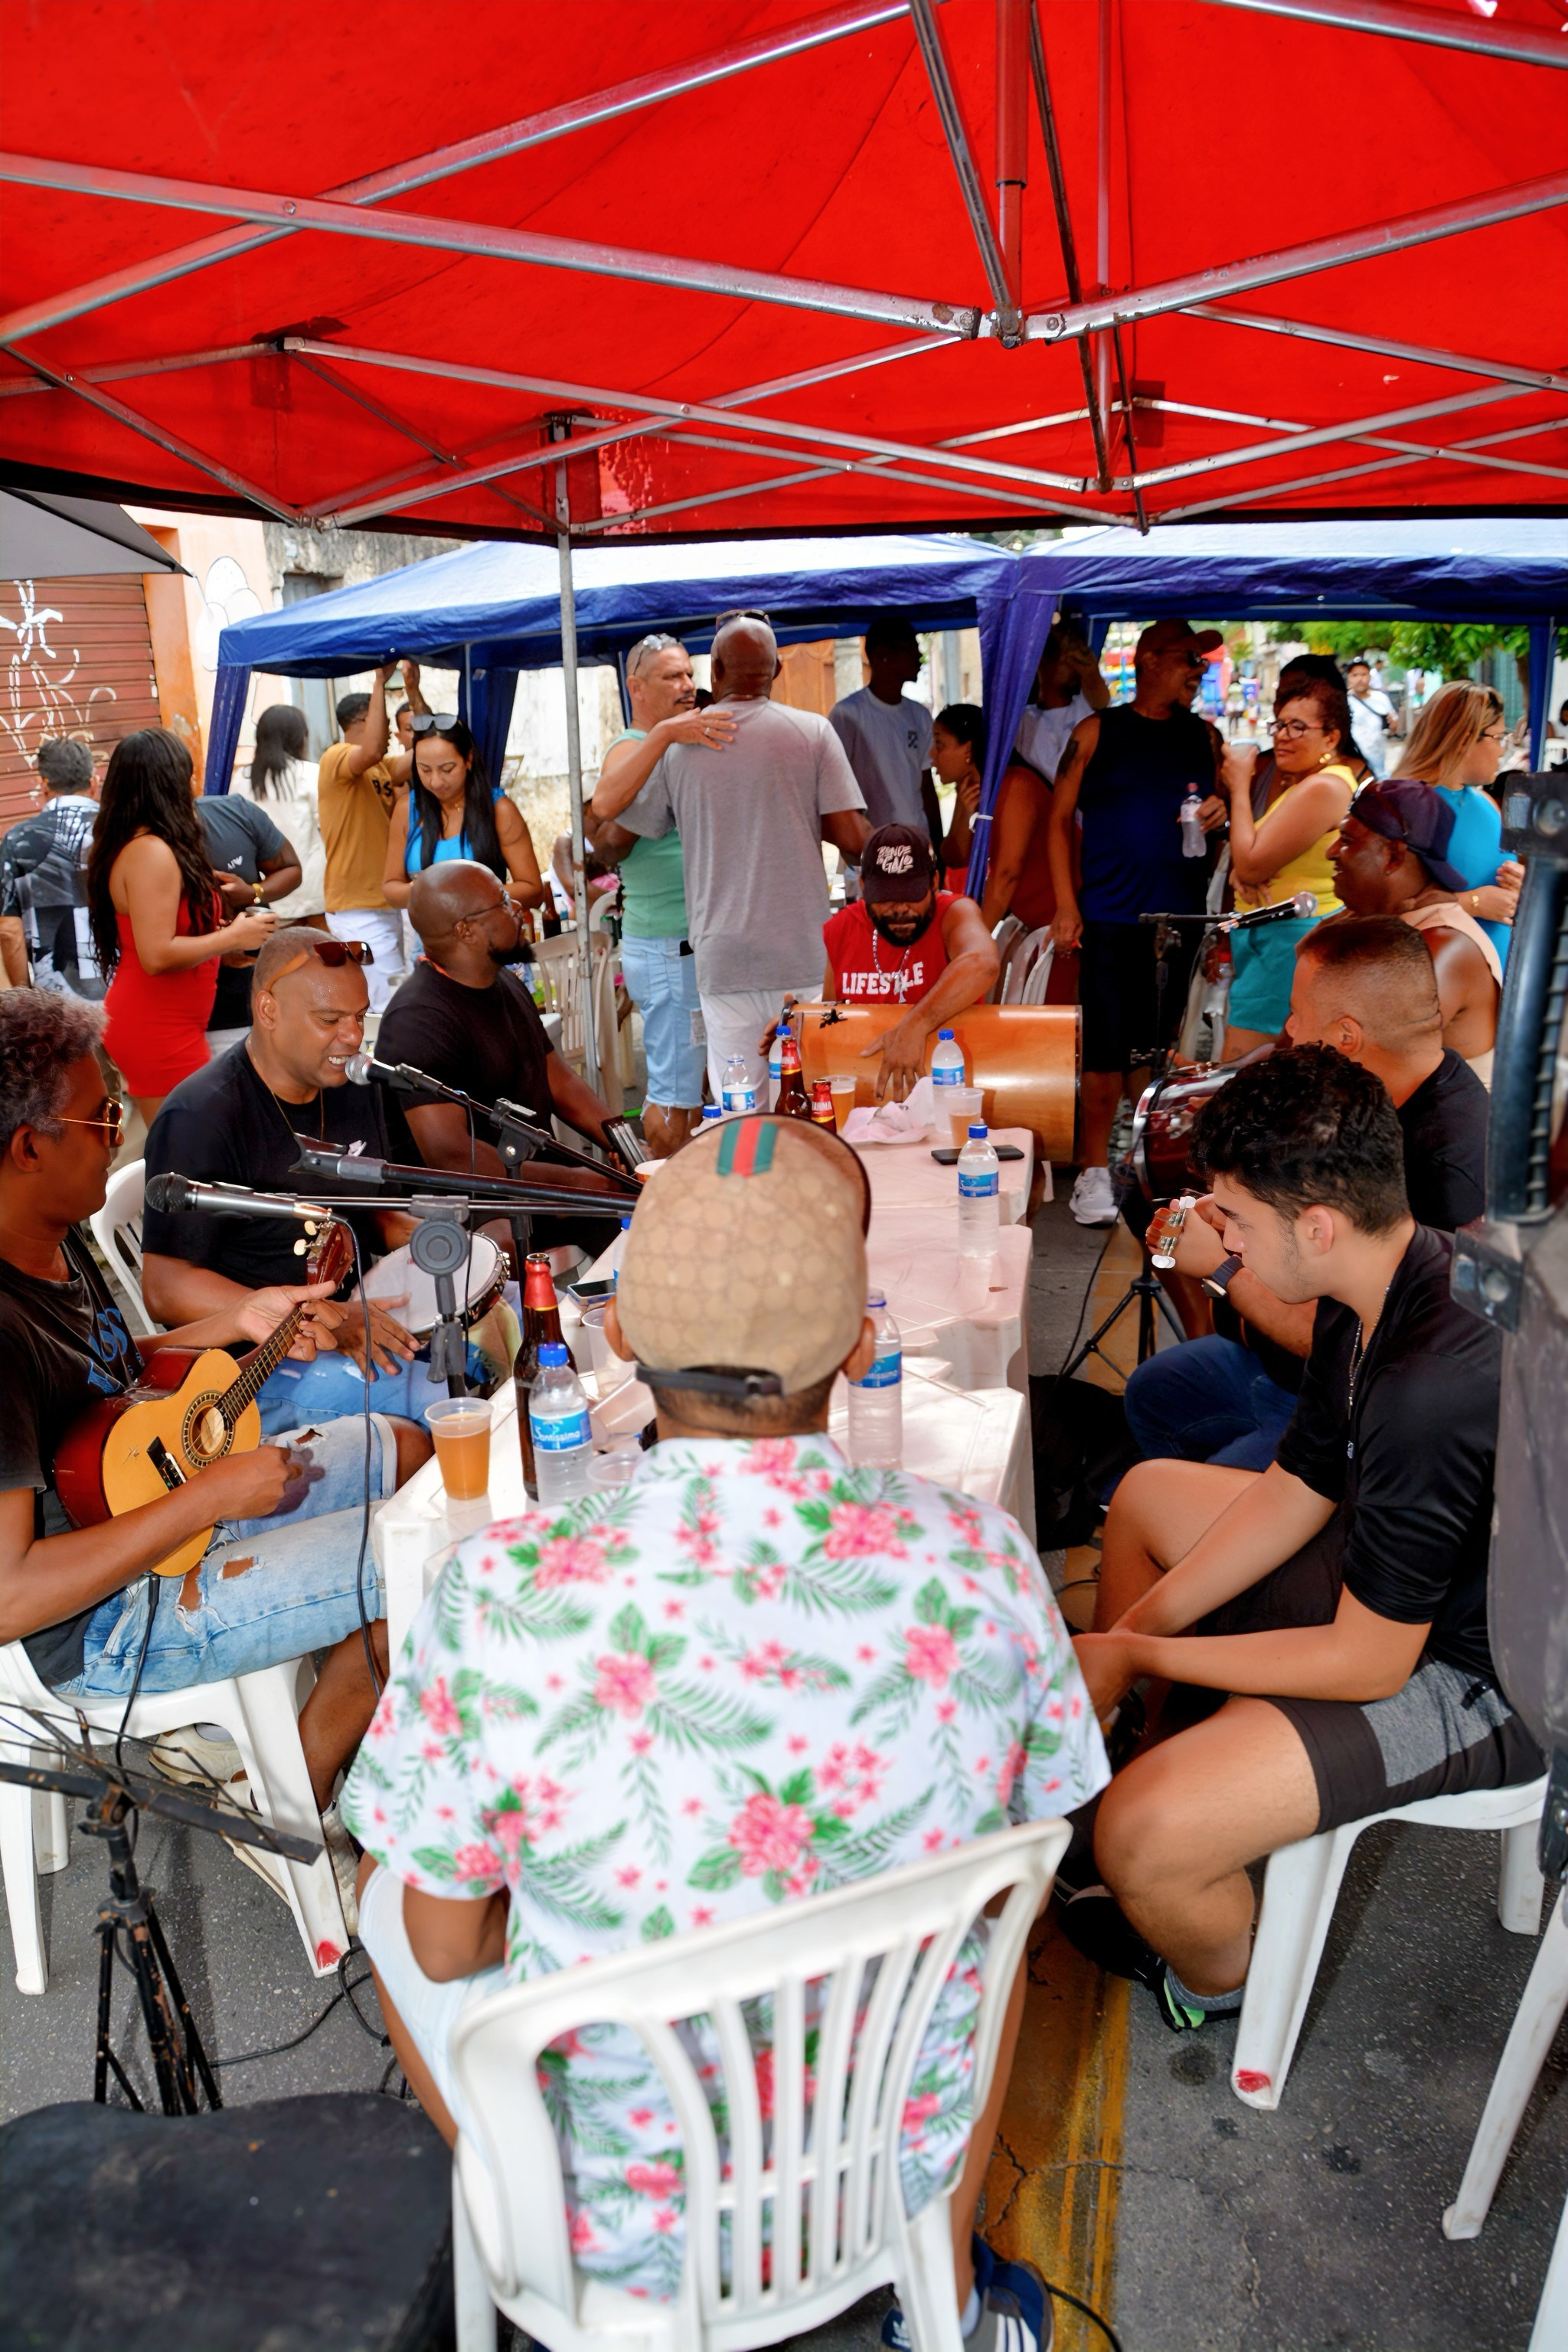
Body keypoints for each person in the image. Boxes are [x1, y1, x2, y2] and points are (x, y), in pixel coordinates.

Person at [344, 1113, 1106, 2346]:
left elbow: (443, 1949)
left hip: (626, 2217)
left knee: (391, 1896)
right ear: (861, 1349)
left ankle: (536, 2261)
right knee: (996, 1927)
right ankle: (943, 2298)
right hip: (885, 2162)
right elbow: (1047, 1819)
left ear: (627, 1338)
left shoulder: (498, 1593)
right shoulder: (983, 1557)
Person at [1073, 1047, 1539, 2034]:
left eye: (1233, 1218)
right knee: (1151, 1496)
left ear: (1314, 1224)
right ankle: (1150, 1742)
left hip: (1487, 1675)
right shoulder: (1376, 1279)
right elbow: (1299, 1483)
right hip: (1415, 1585)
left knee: (1140, 1836)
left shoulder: (1429, 1383)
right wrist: (1132, 1642)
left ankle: (1218, 1980)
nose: (1221, 1240)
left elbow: (1368, 1660)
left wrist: (1143, 1648)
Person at [0, 989, 431, 1899]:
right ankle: (286, 1802)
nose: (121, 1132)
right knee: (426, 1574)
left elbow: (108, 1378)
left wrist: (242, 1318)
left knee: (400, 1448)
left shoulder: (49, 1234)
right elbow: (10, 1595)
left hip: (157, 1507)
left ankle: (345, 1719)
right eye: (101, 1116)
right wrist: (210, 1498)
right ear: (26, 1147)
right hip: (105, 1622)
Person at [1125, 917, 1490, 1475]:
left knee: (1188, 1504)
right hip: (1291, 1370)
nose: (1289, 1027)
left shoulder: (1448, 1166)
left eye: (1297, 1011)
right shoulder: (1365, 1096)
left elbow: (1369, 1343)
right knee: (1155, 1390)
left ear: (1347, 1036)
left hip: (1354, 1414)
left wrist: (1223, 1266)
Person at [140, 926, 431, 1438]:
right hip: (253, 1365)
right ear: (269, 1010)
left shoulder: (352, 1085)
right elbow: (165, 1289)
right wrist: (327, 1317)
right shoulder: (200, 1117)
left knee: (492, 1332)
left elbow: (368, 1212)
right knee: (429, 1395)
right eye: (330, 1020)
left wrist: (427, 1242)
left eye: (360, 1017)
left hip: (354, 1308)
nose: (353, 1036)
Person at [612, 615, 871, 1103]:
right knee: (809, 1097)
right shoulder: (812, 733)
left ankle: (747, 1178)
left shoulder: (681, 749)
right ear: (774, 672)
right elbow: (853, 838)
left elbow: (617, 839)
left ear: (715, 672)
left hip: (723, 959)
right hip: (803, 958)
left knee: (740, 1105)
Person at [1047, 619, 1227, 1225]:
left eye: (1201, 664)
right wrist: (1066, 904)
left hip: (1179, 918)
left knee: (1159, 1051)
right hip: (1109, 914)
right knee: (1102, 1050)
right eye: (1188, 660)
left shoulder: (1204, 736)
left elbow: (1225, 815)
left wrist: (1221, 809)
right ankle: (1094, 1169)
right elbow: (1058, 820)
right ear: (1149, 659)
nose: (1197, 672)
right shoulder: (1098, 731)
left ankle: (1144, 1160)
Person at [375, 860, 621, 1182]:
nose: (518, 907)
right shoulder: (417, 1023)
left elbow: (558, 1082)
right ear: (465, 931)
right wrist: (579, 1181)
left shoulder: (503, 980)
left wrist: (624, 1141)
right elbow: (453, 1157)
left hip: (538, 1183)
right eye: (503, 901)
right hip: (478, 1212)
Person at [585, 632, 737, 1155]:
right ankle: (660, 1200)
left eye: (690, 675)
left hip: (693, 943)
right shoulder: (633, 745)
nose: (687, 685)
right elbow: (604, 807)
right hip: (670, 947)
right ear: (637, 687)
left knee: (700, 1090)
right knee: (675, 1099)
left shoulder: (682, 741)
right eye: (672, 676)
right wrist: (669, 733)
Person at [86, 728, 276, 1128]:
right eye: (186, 775)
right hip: (156, 1027)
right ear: (164, 785)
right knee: (187, 1155)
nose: (193, 785)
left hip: (168, 1022)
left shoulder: (148, 846)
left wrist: (219, 948)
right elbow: (155, 955)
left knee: (195, 1146)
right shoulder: (151, 852)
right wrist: (233, 936)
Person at [768, 822, 1000, 1100]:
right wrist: (800, 1023)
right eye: (886, 898)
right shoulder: (842, 928)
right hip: (868, 1094)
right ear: (864, 887)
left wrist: (915, 1026)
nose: (900, 909)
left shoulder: (955, 915)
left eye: (912, 895)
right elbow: (835, 1014)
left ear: (934, 883)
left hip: (949, 1088)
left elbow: (983, 963)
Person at [1216, 678, 1358, 1056]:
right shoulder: (1307, 783)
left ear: (1331, 738)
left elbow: (1248, 863)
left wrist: (1239, 787)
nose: (1283, 736)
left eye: (1298, 727)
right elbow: (1250, 860)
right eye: (1279, 725)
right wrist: (1243, 869)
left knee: (1242, 1063)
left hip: (1284, 941)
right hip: (1271, 937)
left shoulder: (1324, 787)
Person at [1327, 780, 1501, 1083]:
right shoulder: (1367, 919)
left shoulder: (1442, 947)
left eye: (1346, 840)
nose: (1331, 852)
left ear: (1394, 857)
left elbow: (1355, 1069)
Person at [1391, 680, 1522, 961]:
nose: (1503, 750)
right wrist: (1472, 904)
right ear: (1464, 738)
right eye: (1498, 738)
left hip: (1495, 976)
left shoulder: (1484, 802)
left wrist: (1521, 886)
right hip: (1439, 978)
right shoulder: (1406, 805)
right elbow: (1384, 909)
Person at [316, 668, 414, 1014]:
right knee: (386, 1006)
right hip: (357, 909)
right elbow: (372, 748)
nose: (389, 732)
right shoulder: (337, 757)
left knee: (395, 995)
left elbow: (420, 758)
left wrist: (415, 695)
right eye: (384, 722)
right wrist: (378, 683)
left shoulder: (381, 767)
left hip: (385, 903)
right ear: (363, 719)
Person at [382, 714, 544, 915]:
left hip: (489, 938)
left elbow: (533, 890)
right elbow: (391, 889)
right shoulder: (407, 809)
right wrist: (430, 890)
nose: (436, 782)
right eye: (424, 770)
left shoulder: (499, 810)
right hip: (429, 943)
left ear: (468, 760)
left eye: (447, 769)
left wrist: (464, 893)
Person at [194, 768, 302, 1057]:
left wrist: (253, 892)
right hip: (189, 997)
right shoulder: (146, 843)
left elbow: (291, 868)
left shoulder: (234, 812)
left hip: (253, 982)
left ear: (190, 781)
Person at [936, 701, 1061, 936]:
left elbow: (1006, 875)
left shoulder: (1016, 785)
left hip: (1062, 926)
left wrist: (971, 945)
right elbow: (954, 857)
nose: (931, 755)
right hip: (1037, 925)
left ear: (968, 751)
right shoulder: (972, 789)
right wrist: (965, 811)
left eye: (939, 744)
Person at [827, 614, 942, 849]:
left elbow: (926, 786)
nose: (919, 657)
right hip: (869, 851)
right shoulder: (847, 715)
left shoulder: (919, 715)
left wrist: (937, 845)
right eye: (912, 648)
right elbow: (834, 791)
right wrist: (853, 847)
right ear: (883, 656)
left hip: (916, 845)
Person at [0, 737, 101, 996]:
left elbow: (9, 932)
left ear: (44, 785)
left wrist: (27, 998)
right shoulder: (122, 830)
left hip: (57, 1005)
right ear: (94, 782)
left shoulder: (17, 839)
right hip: (127, 996)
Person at [230, 703, 326, 923]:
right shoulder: (311, 774)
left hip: (265, 892)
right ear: (300, 737)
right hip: (312, 891)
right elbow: (328, 830)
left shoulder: (241, 779)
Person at [1013, 620, 1110, 787]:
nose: (1073, 664)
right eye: (1062, 655)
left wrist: (1090, 669)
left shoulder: (1086, 710)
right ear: (1041, 661)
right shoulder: (1021, 721)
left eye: (1077, 656)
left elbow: (1101, 700)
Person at [1345, 658, 1399, 778]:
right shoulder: (1344, 702)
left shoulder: (1381, 699)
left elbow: (1393, 726)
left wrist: (1393, 725)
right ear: (1349, 678)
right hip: (1356, 762)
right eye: (1355, 675)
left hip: (1379, 762)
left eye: (1364, 674)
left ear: (1370, 676)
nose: (1360, 679)